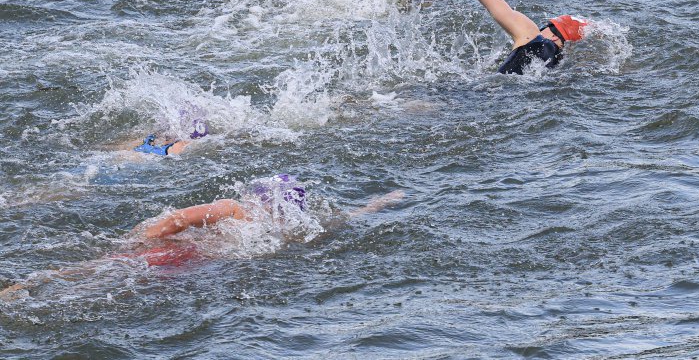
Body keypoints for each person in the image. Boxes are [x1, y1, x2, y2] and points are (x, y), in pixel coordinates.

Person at [1, 176, 405, 298]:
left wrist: (381, 202)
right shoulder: (278, 227)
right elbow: (175, 221)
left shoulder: (242, 211)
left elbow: (175, 219)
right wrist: (381, 203)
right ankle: (27, 286)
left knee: (102, 274)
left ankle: (30, 286)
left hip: (191, 261)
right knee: (105, 276)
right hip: (193, 263)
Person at [397, 0, 588, 75]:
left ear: (555, 37)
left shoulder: (532, 36)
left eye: (548, 27)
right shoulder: (555, 69)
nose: (541, 28)